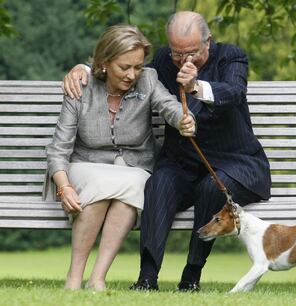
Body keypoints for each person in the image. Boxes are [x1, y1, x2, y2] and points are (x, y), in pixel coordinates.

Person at [62, 11, 271, 292]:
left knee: (210, 188)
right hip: (182, 163)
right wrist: (84, 69)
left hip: (234, 163)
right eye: (177, 54)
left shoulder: (230, 57)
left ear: (208, 42)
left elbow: (233, 92)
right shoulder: (161, 60)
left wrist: (195, 86)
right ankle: (147, 278)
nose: (184, 60)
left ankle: (191, 276)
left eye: (192, 53)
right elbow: (124, 64)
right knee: (157, 183)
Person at [47, 24, 195, 291]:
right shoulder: (81, 85)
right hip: (85, 166)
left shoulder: (148, 79)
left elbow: (168, 105)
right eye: (124, 67)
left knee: (134, 186)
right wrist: (64, 185)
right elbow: (58, 149)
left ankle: (97, 278)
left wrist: (183, 119)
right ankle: (74, 277)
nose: (132, 74)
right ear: (104, 63)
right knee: (104, 186)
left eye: (137, 67)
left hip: (134, 167)